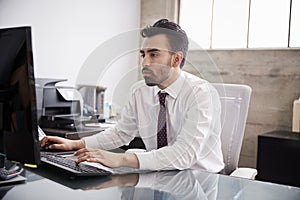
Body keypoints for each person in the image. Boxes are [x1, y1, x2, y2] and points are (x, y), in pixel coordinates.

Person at [40, 19, 224, 173]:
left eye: (153, 55)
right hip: (160, 176)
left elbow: (184, 155)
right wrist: (76, 144)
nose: (144, 62)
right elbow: (121, 133)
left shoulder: (200, 93)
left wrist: (122, 159)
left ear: (176, 59)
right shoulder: (140, 91)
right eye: (143, 54)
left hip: (201, 180)